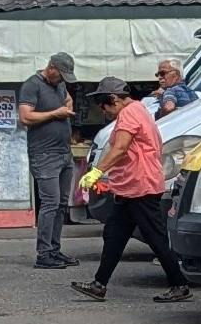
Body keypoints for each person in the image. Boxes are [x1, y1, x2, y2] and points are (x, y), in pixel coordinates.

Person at [71, 74, 189, 303]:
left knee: (155, 238)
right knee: (114, 236)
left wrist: (96, 172)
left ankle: (180, 284)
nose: (105, 113)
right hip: (131, 186)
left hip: (140, 186)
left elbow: (121, 148)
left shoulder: (129, 114)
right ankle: (99, 284)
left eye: (104, 107)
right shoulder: (139, 109)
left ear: (114, 99)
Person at [17, 52, 78, 269]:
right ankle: (44, 253)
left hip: (64, 153)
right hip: (44, 154)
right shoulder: (31, 86)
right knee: (50, 203)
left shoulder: (59, 85)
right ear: (51, 67)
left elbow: (67, 100)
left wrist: (66, 104)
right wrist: (56, 113)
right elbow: (25, 117)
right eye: (60, 75)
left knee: (61, 203)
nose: (62, 79)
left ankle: (54, 249)